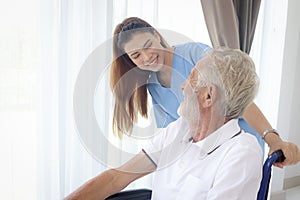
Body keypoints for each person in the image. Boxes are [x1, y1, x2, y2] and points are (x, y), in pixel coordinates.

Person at [65, 47, 264, 200]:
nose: (183, 85)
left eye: (192, 78)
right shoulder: (179, 130)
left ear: (208, 96)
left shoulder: (242, 153)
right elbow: (116, 178)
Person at [110, 17, 299, 167]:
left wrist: (273, 139)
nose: (146, 57)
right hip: (205, 156)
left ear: (156, 35)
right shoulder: (153, 87)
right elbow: (173, 133)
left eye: (148, 45)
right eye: (136, 55)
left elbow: (242, 100)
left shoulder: (195, 54)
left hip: (236, 145)